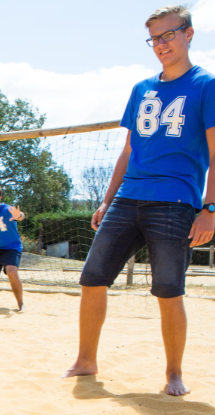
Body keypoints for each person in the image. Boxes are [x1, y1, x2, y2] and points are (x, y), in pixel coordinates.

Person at [64, 5, 215, 395]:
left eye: (169, 35)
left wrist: (210, 209)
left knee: (168, 290)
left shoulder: (206, 85)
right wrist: (105, 200)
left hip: (176, 202)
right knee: (92, 279)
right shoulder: (141, 89)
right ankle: (86, 360)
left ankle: (174, 374)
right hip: (128, 197)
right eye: (155, 38)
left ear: (189, 34)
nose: (161, 44)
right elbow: (128, 151)